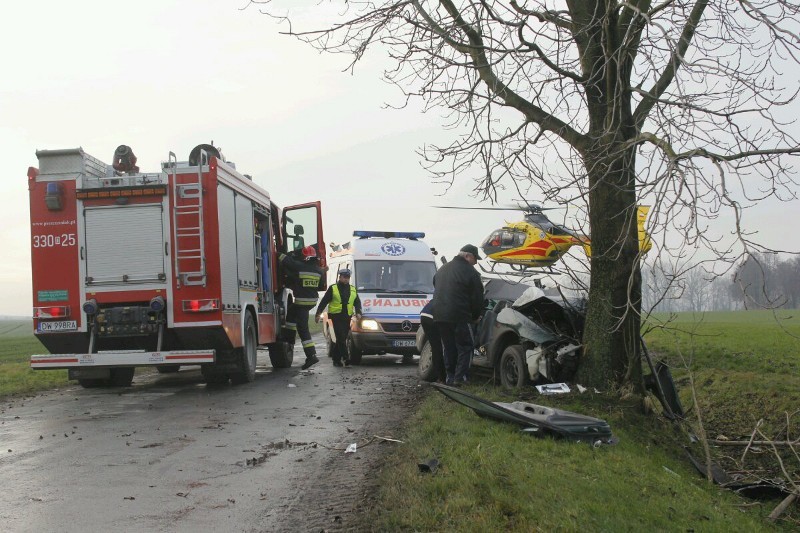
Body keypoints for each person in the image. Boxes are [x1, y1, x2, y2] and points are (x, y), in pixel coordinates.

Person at [432, 244, 484, 386]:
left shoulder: (442, 270)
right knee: (466, 346)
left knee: (448, 348)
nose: (476, 262)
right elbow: (478, 298)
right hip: (460, 315)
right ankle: (460, 378)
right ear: (467, 256)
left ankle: (450, 377)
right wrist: (475, 316)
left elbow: (436, 288)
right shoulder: (471, 272)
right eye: (475, 259)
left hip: (439, 316)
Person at [279, 245, 324, 370]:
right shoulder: (319, 271)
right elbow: (320, 285)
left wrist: (277, 253)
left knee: (303, 329)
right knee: (291, 315)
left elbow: (287, 262)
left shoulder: (300, 266)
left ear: (306, 258)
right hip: (311, 301)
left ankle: (312, 355)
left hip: (302, 302)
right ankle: (289, 339)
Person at [315, 268, 362, 367]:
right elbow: (324, 301)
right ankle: (346, 358)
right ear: (340, 277)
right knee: (340, 338)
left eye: (348, 277)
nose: (346, 279)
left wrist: (358, 312)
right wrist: (318, 314)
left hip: (346, 317)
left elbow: (357, 302)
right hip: (335, 317)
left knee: (342, 338)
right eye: (344, 277)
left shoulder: (353, 289)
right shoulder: (333, 288)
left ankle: (336, 360)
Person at [420, 299, 446, 383]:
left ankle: (439, 376)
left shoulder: (446, 290)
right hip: (433, 317)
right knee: (439, 348)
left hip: (425, 315)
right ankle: (442, 377)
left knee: (436, 348)